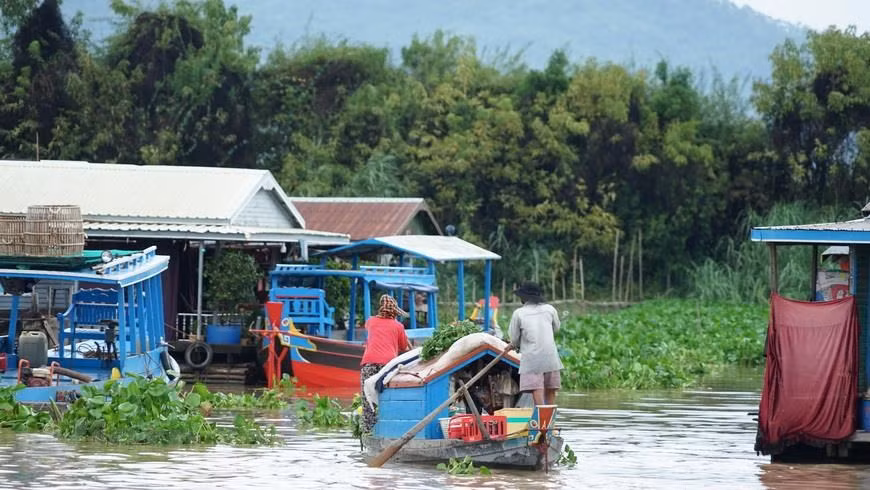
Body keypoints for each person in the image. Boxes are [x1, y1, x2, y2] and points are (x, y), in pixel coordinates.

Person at [504, 281, 563, 405]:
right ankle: (550, 420)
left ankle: (541, 417)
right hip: (550, 355)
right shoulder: (550, 309)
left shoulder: (519, 313)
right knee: (550, 387)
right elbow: (556, 327)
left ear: (524, 297)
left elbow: (514, 338)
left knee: (537, 387)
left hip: (532, 357)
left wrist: (513, 344)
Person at [360, 294, 412, 433]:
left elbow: (372, 329)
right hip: (388, 366)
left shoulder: (370, 321)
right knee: (387, 396)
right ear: (394, 312)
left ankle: (368, 430)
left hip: (369, 363)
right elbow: (403, 347)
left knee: (368, 397)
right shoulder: (398, 326)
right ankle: (388, 428)